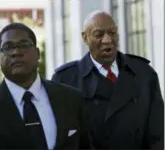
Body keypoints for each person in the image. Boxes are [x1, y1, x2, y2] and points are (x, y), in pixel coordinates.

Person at [52, 10, 164, 149]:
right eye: (99, 34)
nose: (107, 40)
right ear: (85, 38)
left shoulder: (145, 74)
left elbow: (157, 135)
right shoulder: (65, 79)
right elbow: (60, 138)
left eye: (112, 33)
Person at [0, 23, 92, 149]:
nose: (16, 52)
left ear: (38, 53)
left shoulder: (71, 99)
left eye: (24, 45)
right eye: (8, 47)